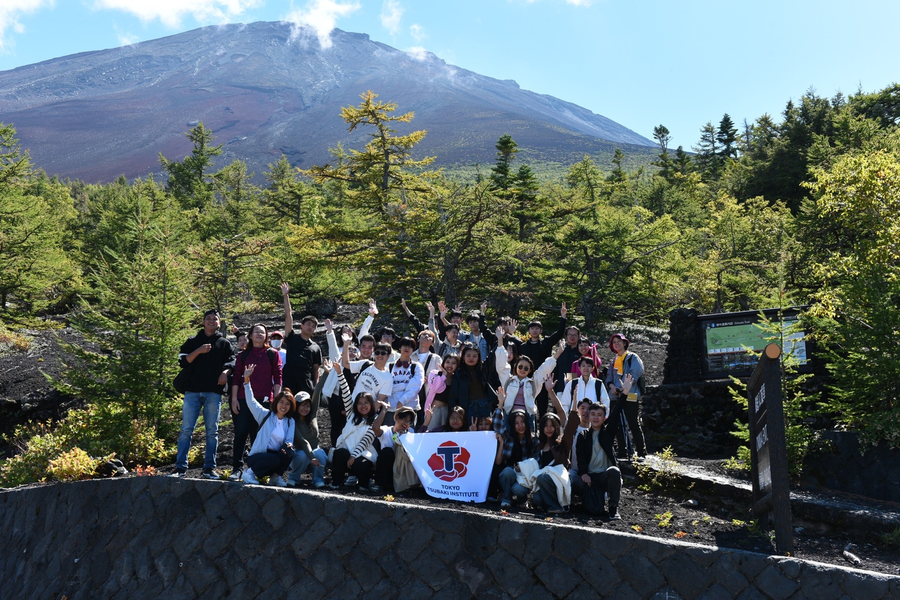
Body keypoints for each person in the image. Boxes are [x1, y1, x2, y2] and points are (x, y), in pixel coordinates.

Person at [172, 309, 234, 479]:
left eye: (215, 319)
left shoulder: (224, 343)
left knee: (212, 432)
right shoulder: (193, 341)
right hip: (192, 391)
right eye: (208, 319)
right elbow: (183, 362)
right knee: (186, 430)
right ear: (203, 321)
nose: (212, 321)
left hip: (213, 393)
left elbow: (232, 363)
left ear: (219, 323)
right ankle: (180, 468)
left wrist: (225, 373)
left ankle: (209, 469)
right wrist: (198, 350)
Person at [573, 374, 632, 519]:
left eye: (599, 415)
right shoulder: (583, 435)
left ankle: (613, 508)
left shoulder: (607, 433)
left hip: (604, 476)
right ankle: (587, 500)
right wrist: (584, 473)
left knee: (614, 471)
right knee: (574, 480)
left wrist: (624, 393)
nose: (595, 417)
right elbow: (580, 457)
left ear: (604, 417)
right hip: (590, 477)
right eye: (592, 414)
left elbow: (617, 412)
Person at [229, 323, 283, 481]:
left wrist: (277, 399)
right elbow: (237, 377)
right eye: (256, 332)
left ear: (266, 336)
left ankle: (254, 470)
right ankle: (237, 469)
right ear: (250, 336)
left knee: (259, 436)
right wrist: (233, 399)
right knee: (241, 433)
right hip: (243, 398)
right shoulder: (243, 356)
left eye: (263, 332)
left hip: (265, 400)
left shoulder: (272, 354)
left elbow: (278, 376)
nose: (259, 334)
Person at [239, 364, 297, 487]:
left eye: (287, 404)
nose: (284, 406)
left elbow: (289, 439)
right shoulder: (265, 415)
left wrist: (289, 445)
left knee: (289, 452)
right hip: (258, 457)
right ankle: (249, 473)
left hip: (275, 456)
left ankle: (276, 477)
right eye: (281, 402)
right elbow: (251, 401)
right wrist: (246, 380)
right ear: (276, 403)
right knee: (274, 459)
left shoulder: (290, 421)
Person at [330, 362, 385, 490]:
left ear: (371, 405)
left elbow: (366, 441)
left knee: (362, 463)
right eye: (360, 403)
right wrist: (339, 373)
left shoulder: (374, 420)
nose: (363, 406)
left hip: (363, 452)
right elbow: (345, 392)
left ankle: (363, 485)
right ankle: (336, 483)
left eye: (366, 403)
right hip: (346, 448)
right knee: (340, 454)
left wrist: (353, 456)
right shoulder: (351, 414)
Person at [495, 331, 560, 427]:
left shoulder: (533, 383)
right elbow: (501, 365)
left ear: (530, 370)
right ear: (516, 367)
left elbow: (543, 370)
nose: (522, 370)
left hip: (528, 416)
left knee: (529, 440)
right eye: (520, 367)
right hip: (510, 414)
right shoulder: (508, 380)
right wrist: (500, 340)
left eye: (526, 368)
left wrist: (557, 354)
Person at [519, 303, 567, 416]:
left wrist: (563, 317)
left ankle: (542, 430)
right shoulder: (523, 347)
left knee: (543, 407)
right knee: (526, 407)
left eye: (537, 328)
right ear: (529, 331)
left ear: (541, 330)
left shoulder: (546, 343)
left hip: (544, 378)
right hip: (527, 379)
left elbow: (559, 333)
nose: (534, 330)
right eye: (532, 328)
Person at [606, 333, 648, 461]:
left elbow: (635, 372)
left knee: (633, 422)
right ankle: (622, 452)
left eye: (619, 341)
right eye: (614, 342)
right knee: (617, 425)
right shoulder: (614, 360)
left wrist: (625, 386)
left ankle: (641, 451)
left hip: (630, 395)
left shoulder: (632, 357)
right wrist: (612, 386)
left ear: (625, 343)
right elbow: (609, 377)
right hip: (615, 396)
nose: (617, 344)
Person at [288, 361, 329, 488]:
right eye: (302, 405)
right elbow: (303, 441)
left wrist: (326, 373)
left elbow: (316, 392)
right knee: (302, 456)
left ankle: (317, 480)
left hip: (315, 449)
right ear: (296, 406)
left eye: (307, 405)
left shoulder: (312, 415)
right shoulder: (292, 421)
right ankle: (294, 477)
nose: (305, 408)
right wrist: (311, 457)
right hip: (299, 451)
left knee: (321, 454)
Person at [280, 282, 322, 397]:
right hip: (289, 380)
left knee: (304, 411)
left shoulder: (315, 347)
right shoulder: (292, 337)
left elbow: (316, 369)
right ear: (302, 325)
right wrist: (286, 296)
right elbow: (288, 315)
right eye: (308, 324)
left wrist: (316, 386)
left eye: (313, 326)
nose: (310, 327)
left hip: (306, 383)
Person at [496, 409, 539, 508]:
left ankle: (522, 500)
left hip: (525, 476)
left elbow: (536, 462)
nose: (520, 426)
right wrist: (501, 404)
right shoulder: (508, 438)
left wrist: (523, 467)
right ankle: (506, 499)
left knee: (518, 490)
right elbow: (497, 424)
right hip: (509, 473)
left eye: (522, 422)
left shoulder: (534, 440)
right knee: (507, 471)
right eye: (516, 423)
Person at [373, 405, 417, 492]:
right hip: (387, 469)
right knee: (387, 452)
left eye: (409, 422)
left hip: (401, 470)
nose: (406, 424)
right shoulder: (386, 430)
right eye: (404, 419)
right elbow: (375, 428)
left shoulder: (411, 432)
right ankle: (380, 485)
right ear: (397, 418)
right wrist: (384, 410)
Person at [384, 337, 425, 426]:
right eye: (404, 345)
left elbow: (415, 387)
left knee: (407, 436)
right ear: (400, 347)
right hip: (390, 407)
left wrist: (402, 400)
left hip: (409, 408)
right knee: (388, 436)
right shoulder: (389, 366)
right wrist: (403, 386)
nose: (407, 348)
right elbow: (386, 386)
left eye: (410, 347)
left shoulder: (417, 366)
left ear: (413, 350)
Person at [422, 354, 459, 431]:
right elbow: (434, 388)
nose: (450, 365)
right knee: (431, 434)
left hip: (447, 411)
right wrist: (443, 376)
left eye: (453, 363)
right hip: (434, 411)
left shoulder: (456, 378)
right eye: (447, 362)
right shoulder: (434, 373)